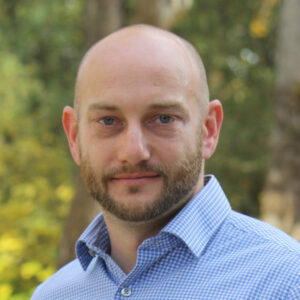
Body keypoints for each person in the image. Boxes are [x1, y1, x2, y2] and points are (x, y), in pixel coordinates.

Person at [31, 24, 300, 299]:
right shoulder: (53, 295)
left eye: (163, 118)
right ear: (74, 137)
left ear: (208, 130)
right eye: (108, 121)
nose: (133, 151)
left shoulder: (286, 282)